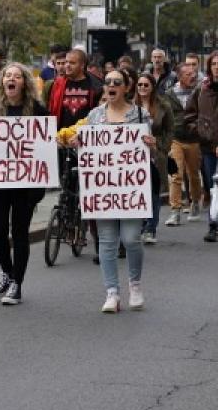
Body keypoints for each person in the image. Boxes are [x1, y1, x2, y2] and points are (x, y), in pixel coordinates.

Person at [78, 68, 156, 313]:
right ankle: (112, 292)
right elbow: (87, 148)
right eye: (108, 82)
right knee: (107, 240)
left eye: (117, 82)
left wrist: (152, 145)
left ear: (126, 87)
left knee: (131, 238)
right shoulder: (94, 116)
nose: (111, 85)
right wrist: (78, 143)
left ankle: (135, 284)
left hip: (131, 189)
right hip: (103, 190)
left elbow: (149, 152)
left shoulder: (140, 115)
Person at [0, 63, 48, 306]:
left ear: (24, 83)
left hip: (25, 186)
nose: (11, 79)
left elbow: (45, 145)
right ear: (2, 82)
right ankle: (7, 272)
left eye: (17, 76)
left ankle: (17, 283)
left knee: (19, 233)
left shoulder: (37, 111)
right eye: (8, 76)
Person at [184, 51, 218, 245]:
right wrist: (199, 130)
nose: (216, 67)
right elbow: (189, 115)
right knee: (211, 185)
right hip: (207, 146)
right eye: (213, 64)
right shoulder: (201, 89)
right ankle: (214, 222)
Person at [134, 72, 174, 244]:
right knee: (138, 191)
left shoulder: (163, 106)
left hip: (155, 155)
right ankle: (140, 224)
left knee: (154, 192)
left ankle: (151, 228)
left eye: (146, 85)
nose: (142, 88)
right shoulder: (130, 106)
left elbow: (170, 130)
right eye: (140, 85)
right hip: (135, 156)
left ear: (152, 87)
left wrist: (160, 145)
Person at [164, 62, 203, 225]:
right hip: (176, 139)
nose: (192, 76)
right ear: (179, 76)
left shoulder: (200, 92)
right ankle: (175, 211)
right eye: (188, 74)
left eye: (194, 73)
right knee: (176, 174)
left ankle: (195, 202)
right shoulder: (169, 94)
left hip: (194, 139)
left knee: (193, 175)